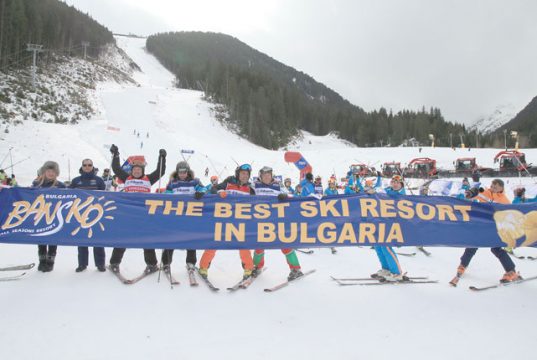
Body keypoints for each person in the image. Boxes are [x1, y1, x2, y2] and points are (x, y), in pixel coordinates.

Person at [108, 144, 167, 274]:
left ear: (142, 171)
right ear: (131, 170)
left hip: (143, 215)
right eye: (134, 170)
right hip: (128, 215)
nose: (136, 171)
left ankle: (152, 264)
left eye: (139, 170)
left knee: (146, 240)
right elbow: (116, 168)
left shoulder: (148, 179)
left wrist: (162, 157)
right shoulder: (126, 178)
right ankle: (114, 263)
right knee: (122, 239)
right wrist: (116, 154)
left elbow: (160, 172)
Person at [455, 179, 522, 283]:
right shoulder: (485, 192)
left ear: (501, 188)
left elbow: (511, 214)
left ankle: (511, 271)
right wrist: (470, 193)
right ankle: (462, 265)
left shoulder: (504, 200)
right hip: (482, 226)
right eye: (492, 185)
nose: (492, 188)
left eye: (495, 187)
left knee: (497, 249)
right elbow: (472, 195)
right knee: (472, 245)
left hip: (494, 229)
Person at [198, 164, 254, 280]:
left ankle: (248, 269)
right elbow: (213, 189)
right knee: (214, 243)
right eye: (242, 173)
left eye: (247, 174)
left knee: (244, 245)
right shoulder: (228, 182)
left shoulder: (250, 189)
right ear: (237, 174)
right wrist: (218, 192)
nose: (245, 176)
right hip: (223, 220)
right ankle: (203, 268)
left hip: (240, 222)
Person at [251, 166, 303, 280]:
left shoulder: (278, 186)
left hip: (277, 221)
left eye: (268, 175)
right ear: (260, 176)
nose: (266, 177)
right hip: (260, 222)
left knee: (284, 244)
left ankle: (296, 269)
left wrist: (285, 196)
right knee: (259, 245)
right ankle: (256, 267)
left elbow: (292, 196)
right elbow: (244, 195)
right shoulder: (255, 186)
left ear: (271, 176)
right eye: (264, 175)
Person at [161, 161, 206, 273]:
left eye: (184, 172)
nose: (182, 174)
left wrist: (200, 192)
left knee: (191, 239)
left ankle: (190, 262)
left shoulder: (194, 181)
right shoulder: (173, 182)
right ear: (177, 172)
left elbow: (204, 189)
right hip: (175, 216)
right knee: (171, 239)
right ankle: (166, 263)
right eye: (180, 172)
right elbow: (167, 192)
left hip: (190, 216)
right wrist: (169, 195)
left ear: (188, 172)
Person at [69, 159, 107, 272]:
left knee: (98, 240)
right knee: (82, 240)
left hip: (96, 214)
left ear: (93, 166)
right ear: (82, 166)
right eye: (85, 165)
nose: (87, 167)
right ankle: (82, 264)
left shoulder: (99, 180)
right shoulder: (76, 181)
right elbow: (69, 195)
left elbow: (105, 196)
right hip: (80, 214)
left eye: (89, 165)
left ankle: (100, 264)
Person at [32, 161, 66, 272]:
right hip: (40, 215)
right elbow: (27, 195)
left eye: (53, 171)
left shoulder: (60, 185)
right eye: (48, 171)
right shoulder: (37, 184)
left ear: (56, 173)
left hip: (54, 216)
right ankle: (42, 260)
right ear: (44, 172)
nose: (51, 173)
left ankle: (50, 261)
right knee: (41, 238)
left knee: (52, 238)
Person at [371, 175, 406, 281]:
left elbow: (393, 197)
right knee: (378, 245)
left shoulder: (401, 194)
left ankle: (397, 272)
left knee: (386, 246)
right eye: (393, 182)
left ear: (401, 184)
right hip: (383, 222)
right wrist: (371, 190)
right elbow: (379, 190)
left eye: (397, 182)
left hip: (393, 224)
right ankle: (386, 268)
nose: (394, 184)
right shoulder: (388, 190)